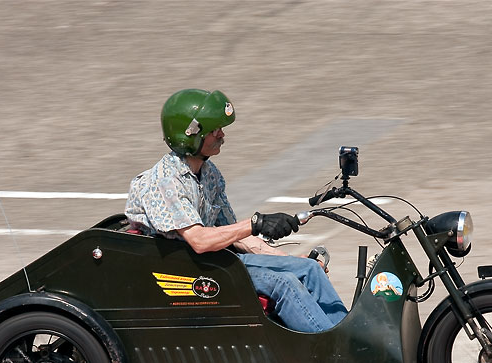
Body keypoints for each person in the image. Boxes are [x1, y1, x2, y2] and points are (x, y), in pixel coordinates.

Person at [125, 88, 348, 333]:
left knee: (310, 269)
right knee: (285, 284)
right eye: (215, 130)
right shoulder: (164, 181)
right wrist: (255, 222)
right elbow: (199, 241)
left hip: (214, 261)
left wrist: (288, 259)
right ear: (189, 135)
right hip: (184, 271)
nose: (222, 135)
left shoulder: (209, 174)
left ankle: (354, 339)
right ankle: (333, 352)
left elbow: (239, 238)